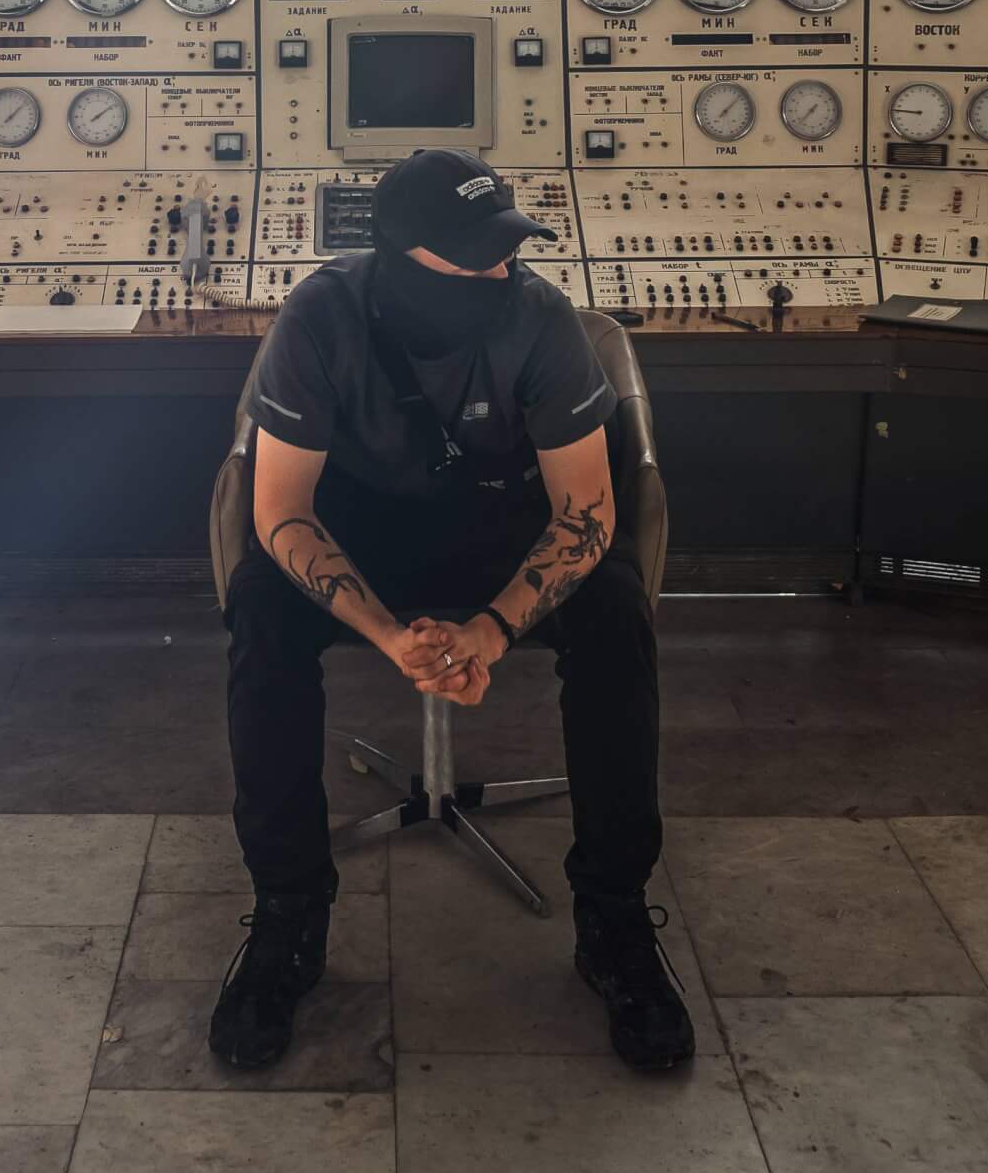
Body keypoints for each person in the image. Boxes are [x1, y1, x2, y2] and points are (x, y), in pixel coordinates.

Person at [211, 147, 694, 1074]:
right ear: (399, 259)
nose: (501, 273)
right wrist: (391, 634)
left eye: (508, 250)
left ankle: (616, 919)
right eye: (475, 257)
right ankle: (287, 918)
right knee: (264, 621)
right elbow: (278, 512)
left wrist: (492, 626)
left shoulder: (541, 318)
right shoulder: (320, 316)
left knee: (615, 611)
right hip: (359, 535)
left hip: (499, 535)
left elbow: (587, 514)